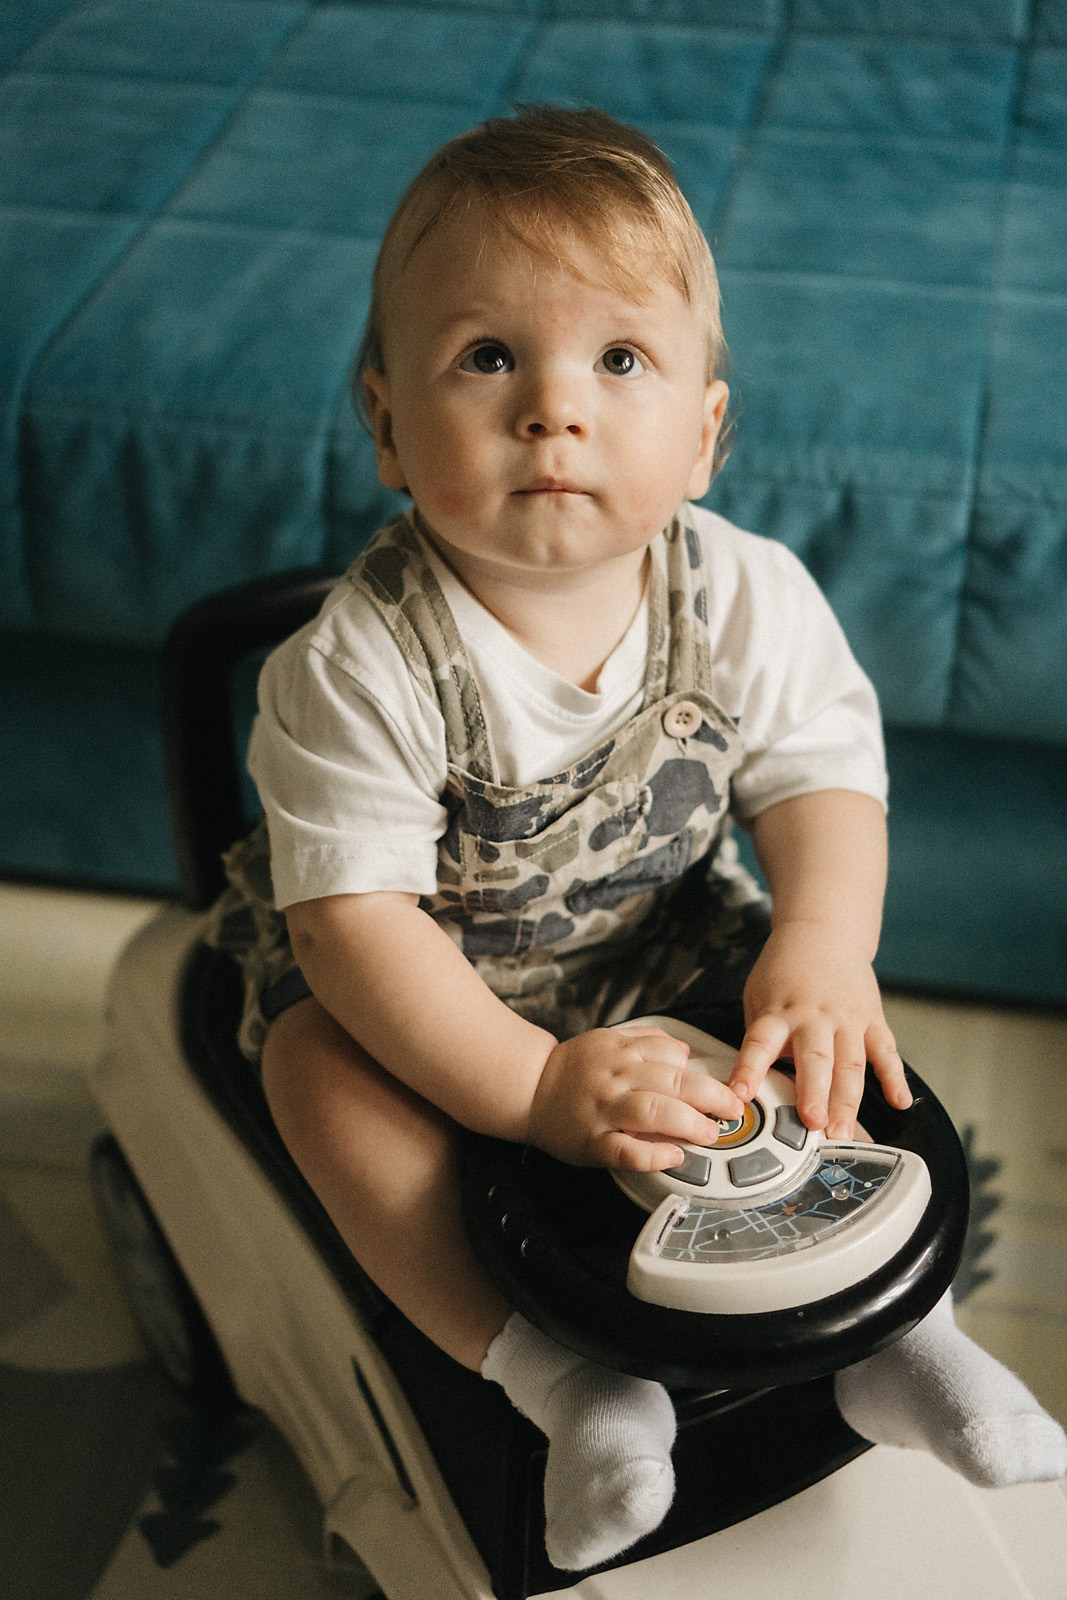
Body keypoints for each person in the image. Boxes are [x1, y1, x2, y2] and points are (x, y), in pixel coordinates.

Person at [208, 105, 1066, 1572]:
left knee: (825, 1037)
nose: (556, 407)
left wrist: (817, 942)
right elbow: (351, 924)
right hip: (431, 990)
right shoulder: (356, 664)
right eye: (488, 357)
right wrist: (537, 1090)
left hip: (661, 936)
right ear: (388, 425)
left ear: (707, 432)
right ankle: (569, 1385)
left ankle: (895, 1340)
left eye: (619, 359)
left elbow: (822, 778)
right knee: (312, 1075)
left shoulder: (741, 592)